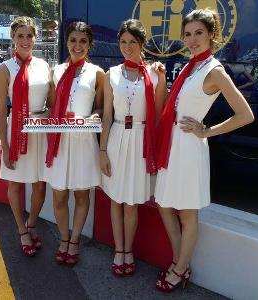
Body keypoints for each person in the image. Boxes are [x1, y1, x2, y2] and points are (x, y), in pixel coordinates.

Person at [154, 8, 254, 292]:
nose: (192, 39)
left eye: (199, 33)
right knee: (164, 205)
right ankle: (180, 261)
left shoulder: (214, 70)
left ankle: (179, 268)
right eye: (188, 34)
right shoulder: (191, 66)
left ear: (212, 35)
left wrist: (207, 130)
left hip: (188, 147)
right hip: (172, 145)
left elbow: (245, 115)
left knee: (186, 213)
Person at [99, 19, 166, 276]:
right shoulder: (111, 74)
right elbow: (106, 115)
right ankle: (120, 250)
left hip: (140, 141)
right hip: (117, 137)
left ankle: (129, 250)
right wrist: (102, 150)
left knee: (132, 203)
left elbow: (158, 115)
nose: (127, 47)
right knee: (116, 200)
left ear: (142, 44)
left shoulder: (154, 74)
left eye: (133, 42)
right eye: (123, 42)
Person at [43, 21, 104, 266]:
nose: (77, 46)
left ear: (89, 45)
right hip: (59, 140)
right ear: (66, 42)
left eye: (83, 41)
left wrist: (91, 117)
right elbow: (50, 104)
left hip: (83, 141)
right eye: (73, 40)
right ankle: (63, 238)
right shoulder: (55, 71)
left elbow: (100, 107)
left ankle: (75, 240)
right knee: (59, 197)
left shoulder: (97, 72)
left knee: (81, 195)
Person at [0, 16, 53, 257]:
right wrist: (5, 147)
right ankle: (21, 229)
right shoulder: (5, 68)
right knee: (16, 183)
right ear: (13, 38)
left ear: (35, 38)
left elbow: (50, 103)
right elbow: (0, 110)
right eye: (20, 35)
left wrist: (46, 113)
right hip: (16, 131)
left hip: (39, 132)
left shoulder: (44, 66)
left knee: (40, 184)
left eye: (30, 35)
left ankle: (32, 224)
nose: (25, 40)